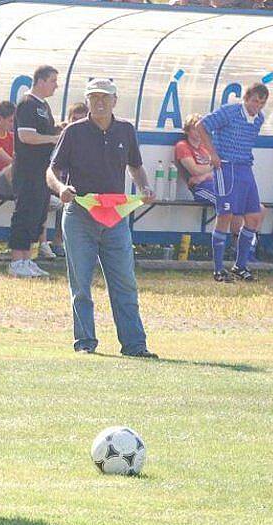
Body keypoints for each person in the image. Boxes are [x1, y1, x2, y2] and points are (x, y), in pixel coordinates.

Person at [47, 78, 158, 358]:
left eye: (104, 97)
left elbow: (136, 166)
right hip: (79, 214)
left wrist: (144, 187)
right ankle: (85, 343)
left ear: (114, 101)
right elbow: (52, 170)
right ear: (87, 101)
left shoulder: (125, 130)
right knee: (81, 285)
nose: (99, 102)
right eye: (94, 97)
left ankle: (135, 345)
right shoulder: (73, 132)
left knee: (124, 283)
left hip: (115, 216)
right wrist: (62, 189)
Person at [195, 82, 269, 281]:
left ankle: (240, 265)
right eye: (255, 100)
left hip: (245, 168)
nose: (258, 106)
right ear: (246, 98)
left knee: (254, 216)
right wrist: (212, 154)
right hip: (226, 167)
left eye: (262, 102)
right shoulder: (229, 112)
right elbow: (201, 126)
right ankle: (218, 269)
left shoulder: (258, 119)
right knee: (225, 215)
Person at [7, 65, 61, 278]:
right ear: (41, 81)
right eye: (53, 81)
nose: (56, 86)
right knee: (24, 213)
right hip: (27, 169)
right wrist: (52, 139)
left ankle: (28, 259)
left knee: (38, 214)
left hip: (43, 170)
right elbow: (26, 136)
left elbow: (44, 132)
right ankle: (16, 261)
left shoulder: (44, 106)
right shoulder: (27, 103)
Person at [40, 102, 89, 260]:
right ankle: (43, 244)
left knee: (70, 201)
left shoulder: (88, 137)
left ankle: (59, 242)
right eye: (73, 119)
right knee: (45, 200)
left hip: (72, 185)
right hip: (50, 182)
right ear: (68, 119)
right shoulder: (60, 134)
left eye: (80, 120)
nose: (75, 123)